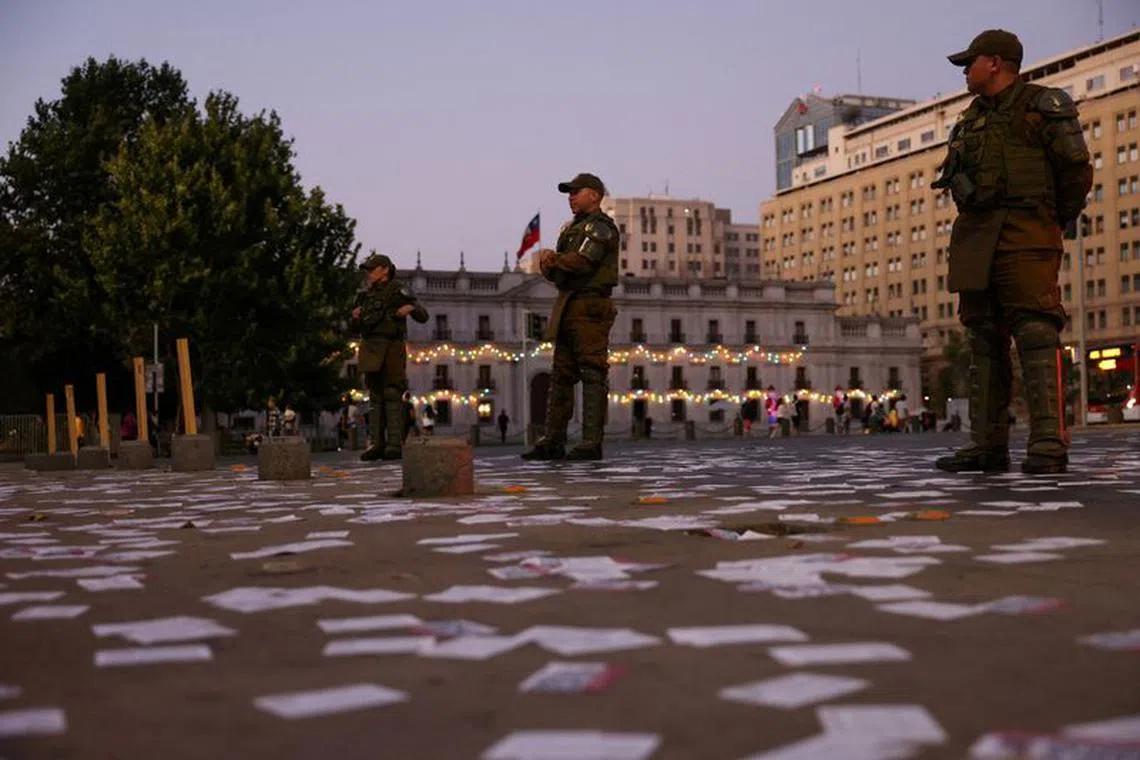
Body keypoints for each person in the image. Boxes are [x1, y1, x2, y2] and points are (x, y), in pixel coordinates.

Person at [931, 29, 1091, 475]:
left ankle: (1047, 444)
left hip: (1026, 231)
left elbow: (1076, 170)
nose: (965, 70)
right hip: (977, 237)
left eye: (971, 62)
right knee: (982, 338)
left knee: (1036, 332)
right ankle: (987, 445)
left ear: (996, 63)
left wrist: (1053, 218)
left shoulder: (1044, 105)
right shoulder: (968, 120)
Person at [522, 172, 619, 462]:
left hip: (590, 305)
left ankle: (591, 441)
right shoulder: (571, 230)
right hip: (567, 304)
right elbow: (558, 272)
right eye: (569, 193)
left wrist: (554, 259)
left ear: (595, 195)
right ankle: (553, 439)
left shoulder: (601, 227)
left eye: (577, 192)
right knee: (561, 375)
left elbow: (583, 261)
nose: (571, 197)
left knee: (592, 373)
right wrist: (550, 264)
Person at [350, 252, 429, 461]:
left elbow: (423, 315)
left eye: (372, 269)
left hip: (392, 346)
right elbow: (353, 328)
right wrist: (355, 317)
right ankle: (377, 444)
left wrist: (410, 308)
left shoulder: (399, 290)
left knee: (392, 394)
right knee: (375, 397)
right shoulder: (364, 295)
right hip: (369, 347)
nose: (368, 273)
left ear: (385, 269)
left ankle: (394, 444)